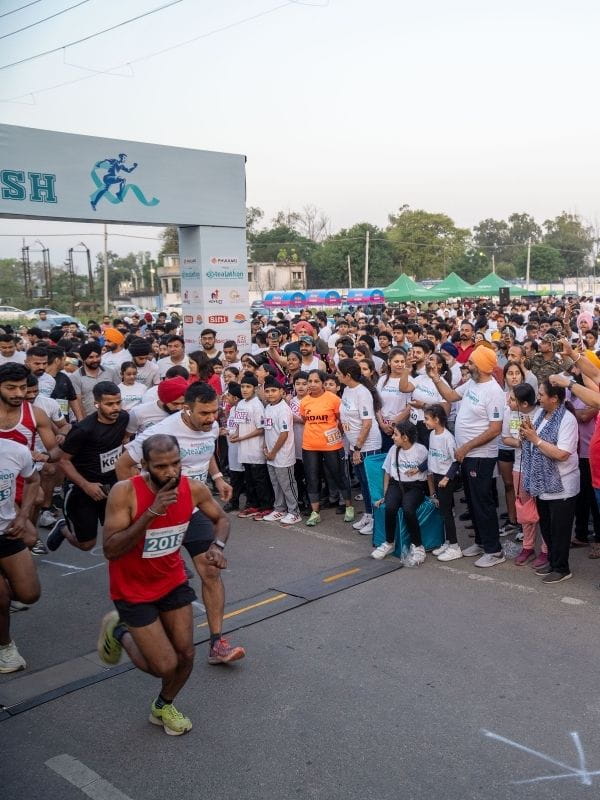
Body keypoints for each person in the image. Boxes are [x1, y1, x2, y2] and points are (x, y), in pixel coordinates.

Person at [98, 434, 229, 735]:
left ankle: (163, 706)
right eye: (161, 467)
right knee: (163, 665)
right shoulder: (124, 492)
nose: (170, 472)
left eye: (175, 464)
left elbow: (221, 518)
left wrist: (217, 547)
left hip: (171, 581)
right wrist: (152, 512)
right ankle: (119, 630)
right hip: (132, 589)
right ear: (144, 466)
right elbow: (111, 549)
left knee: (186, 655)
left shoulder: (193, 488)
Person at [116, 382, 245, 666]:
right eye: (204, 413)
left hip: (192, 508)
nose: (212, 418)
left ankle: (217, 643)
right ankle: (128, 628)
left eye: (215, 411)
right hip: (158, 514)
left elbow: (206, 449)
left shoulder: (209, 426)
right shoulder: (160, 433)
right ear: (186, 407)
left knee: (210, 570)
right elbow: (123, 466)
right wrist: (135, 506)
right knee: (158, 581)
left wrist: (219, 476)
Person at [428, 345, 506, 568]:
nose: (466, 365)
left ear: (480, 367)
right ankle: (481, 543)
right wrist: (435, 379)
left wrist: (466, 447)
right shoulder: (472, 383)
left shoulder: (493, 392)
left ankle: (494, 550)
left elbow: (494, 429)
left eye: (471, 362)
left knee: (482, 503)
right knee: (472, 502)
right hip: (468, 455)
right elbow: (452, 395)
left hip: (480, 456)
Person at [46, 381, 129, 553]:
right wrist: (86, 485)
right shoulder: (83, 430)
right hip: (82, 490)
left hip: (111, 486)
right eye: (109, 404)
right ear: (97, 403)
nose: (115, 408)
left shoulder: (124, 418)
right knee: (87, 545)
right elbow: (63, 461)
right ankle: (63, 527)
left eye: (118, 402)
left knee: (120, 531)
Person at [520, 380, 579, 583]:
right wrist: (526, 435)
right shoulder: (540, 414)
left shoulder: (568, 420)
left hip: (561, 484)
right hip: (541, 482)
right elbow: (534, 440)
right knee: (546, 527)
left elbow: (562, 454)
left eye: (542, 395)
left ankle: (562, 568)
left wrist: (535, 439)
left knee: (559, 529)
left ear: (554, 398)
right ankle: (553, 562)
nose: (539, 398)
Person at [0, 440, 41, 672]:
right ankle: (5, 648)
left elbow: (33, 480)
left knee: (29, 594)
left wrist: (23, 515)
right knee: (1, 598)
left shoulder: (15, 451)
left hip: (8, 533)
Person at [501, 383, 548, 568]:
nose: (509, 402)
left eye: (513, 400)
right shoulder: (509, 413)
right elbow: (505, 438)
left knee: (543, 509)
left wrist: (533, 440)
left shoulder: (540, 414)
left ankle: (546, 549)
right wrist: (520, 442)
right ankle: (528, 547)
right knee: (524, 507)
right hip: (520, 467)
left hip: (540, 467)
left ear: (526, 404)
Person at [299, 369, 354, 526]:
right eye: (310, 381)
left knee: (339, 475)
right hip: (309, 445)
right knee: (312, 478)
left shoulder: (334, 399)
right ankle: (315, 512)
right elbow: (305, 419)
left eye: (316, 381)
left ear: (323, 383)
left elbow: (341, 421)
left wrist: (334, 435)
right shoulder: (305, 401)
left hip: (332, 446)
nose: (312, 384)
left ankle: (349, 507)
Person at [371, 421, 428, 565]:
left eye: (395, 434)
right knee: (390, 507)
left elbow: (430, 474)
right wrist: (385, 495)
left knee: (409, 509)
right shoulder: (393, 450)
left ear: (405, 437)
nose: (392, 437)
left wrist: (433, 495)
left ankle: (418, 546)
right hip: (396, 485)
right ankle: (389, 542)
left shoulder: (421, 450)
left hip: (416, 486)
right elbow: (387, 472)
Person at [337, 358, 382, 535]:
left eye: (339, 373)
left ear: (347, 375)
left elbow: (367, 423)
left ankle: (376, 519)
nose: (336, 375)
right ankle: (369, 514)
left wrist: (358, 448)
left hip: (367, 445)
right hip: (354, 444)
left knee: (371, 484)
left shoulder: (362, 393)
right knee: (363, 483)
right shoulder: (347, 389)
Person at [229, 373, 274, 519]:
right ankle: (253, 505)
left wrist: (242, 437)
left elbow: (261, 429)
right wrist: (235, 434)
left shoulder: (257, 405)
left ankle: (266, 506)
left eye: (248, 387)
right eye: (242, 386)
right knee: (249, 481)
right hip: (244, 451)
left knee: (260, 480)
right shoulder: (241, 404)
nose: (244, 390)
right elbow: (238, 424)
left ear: (255, 389)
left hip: (255, 451)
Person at [259, 377, 301, 525]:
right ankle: (279, 509)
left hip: (282, 455)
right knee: (275, 483)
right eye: (267, 391)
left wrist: (273, 452)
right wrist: (265, 446)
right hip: (270, 454)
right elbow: (267, 428)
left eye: (273, 391)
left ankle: (294, 512)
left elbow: (284, 434)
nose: (270, 394)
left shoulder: (284, 409)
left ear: (282, 392)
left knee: (287, 484)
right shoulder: (268, 407)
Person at [424, 405, 462, 561]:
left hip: (445, 480)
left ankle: (455, 546)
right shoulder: (432, 434)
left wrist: (447, 477)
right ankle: (447, 541)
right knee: (442, 512)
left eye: (427, 419)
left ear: (437, 419)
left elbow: (456, 460)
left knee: (447, 513)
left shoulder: (448, 437)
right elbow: (431, 456)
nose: (424, 421)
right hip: (437, 478)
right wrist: (419, 468)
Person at [399, 351, 451, 447]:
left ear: (439, 365)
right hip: (413, 423)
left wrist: (423, 406)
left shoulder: (442, 384)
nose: (427, 361)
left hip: (428, 426)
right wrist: (406, 368)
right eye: (428, 359)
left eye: (431, 359)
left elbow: (445, 411)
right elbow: (403, 388)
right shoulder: (421, 378)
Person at [69, 342, 118, 416]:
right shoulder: (75, 377)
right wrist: (83, 422)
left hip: (111, 417)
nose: (95, 360)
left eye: (97, 356)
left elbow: (118, 393)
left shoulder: (110, 372)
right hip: (89, 419)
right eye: (91, 357)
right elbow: (77, 403)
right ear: (84, 359)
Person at [376, 348, 410, 451]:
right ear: (389, 362)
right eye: (396, 361)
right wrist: (382, 423)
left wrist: (394, 422)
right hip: (383, 428)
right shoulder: (382, 380)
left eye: (402, 361)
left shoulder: (409, 380)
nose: (399, 364)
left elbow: (409, 407)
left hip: (400, 428)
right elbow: (377, 403)